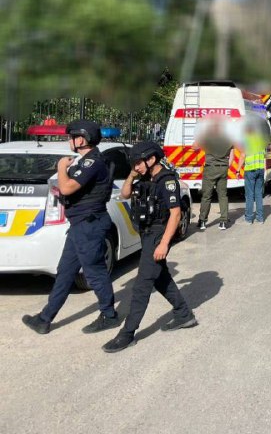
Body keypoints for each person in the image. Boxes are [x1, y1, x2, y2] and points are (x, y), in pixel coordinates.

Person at [22, 120, 120, 335]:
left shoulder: (91, 162)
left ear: (81, 139)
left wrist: (60, 168)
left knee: (94, 272)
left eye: (70, 137)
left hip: (89, 225)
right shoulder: (84, 161)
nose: (68, 141)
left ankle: (109, 315)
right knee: (65, 272)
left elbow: (67, 188)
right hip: (80, 225)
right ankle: (45, 318)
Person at [102, 142, 196, 353]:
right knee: (160, 277)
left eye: (138, 162)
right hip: (146, 234)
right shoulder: (144, 176)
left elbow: (176, 214)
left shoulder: (167, 181)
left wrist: (163, 244)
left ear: (151, 159)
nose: (136, 166)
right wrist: (132, 175)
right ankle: (184, 315)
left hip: (158, 234)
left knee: (142, 284)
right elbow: (125, 194)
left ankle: (127, 333)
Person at [194, 119, 233, 230]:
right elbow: (232, 156)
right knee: (223, 195)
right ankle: (224, 222)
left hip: (210, 169)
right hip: (223, 169)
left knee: (206, 196)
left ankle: (202, 221)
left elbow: (194, 146)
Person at [243, 120, 267, 223]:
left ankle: (249, 219)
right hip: (260, 170)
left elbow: (243, 155)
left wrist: (238, 169)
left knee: (249, 195)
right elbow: (264, 155)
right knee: (258, 195)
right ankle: (260, 218)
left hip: (250, 170)